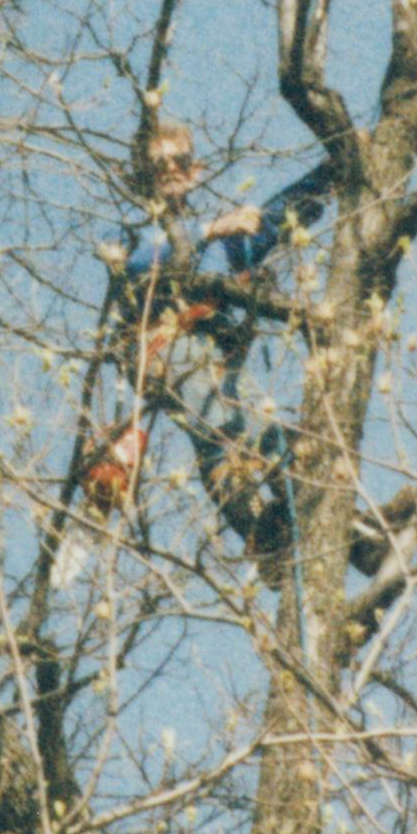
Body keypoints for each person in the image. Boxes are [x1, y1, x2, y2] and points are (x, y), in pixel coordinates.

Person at [91, 121, 333, 565]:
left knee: (268, 430)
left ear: (195, 170)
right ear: (139, 176)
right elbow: (133, 266)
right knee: (217, 422)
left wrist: (331, 174)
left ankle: (357, 538)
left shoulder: (223, 246)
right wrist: (211, 229)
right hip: (162, 345)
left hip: (219, 352)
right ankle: (257, 529)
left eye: (178, 161)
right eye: (156, 163)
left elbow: (277, 216)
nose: (169, 169)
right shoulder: (131, 235)